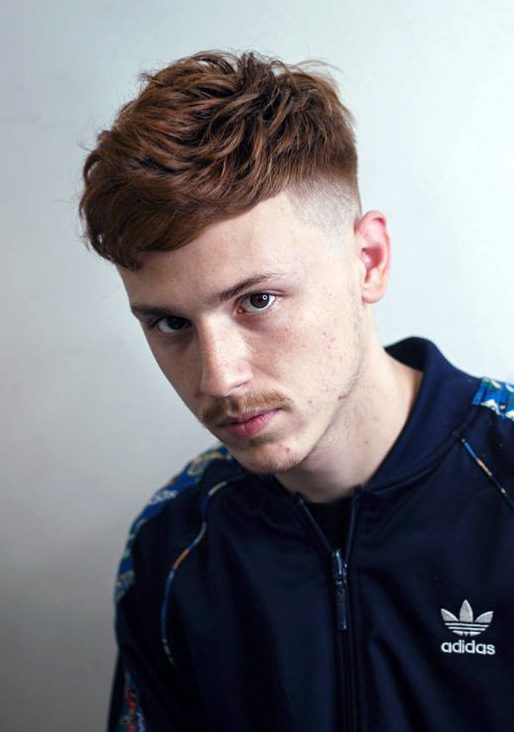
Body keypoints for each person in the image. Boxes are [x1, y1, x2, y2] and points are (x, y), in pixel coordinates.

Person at [80, 50, 514, 732]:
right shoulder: (170, 550)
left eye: (257, 300)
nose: (218, 379)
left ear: (367, 261)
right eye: (170, 323)